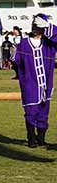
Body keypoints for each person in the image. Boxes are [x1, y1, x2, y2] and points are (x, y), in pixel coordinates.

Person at [14, 14, 57, 148]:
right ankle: (31, 138)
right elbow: (17, 62)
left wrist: (47, 25)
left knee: (44, 112)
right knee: (31, 110)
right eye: (34, 25)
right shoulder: (24, 43)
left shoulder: (49, 44)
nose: (35, 28)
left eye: (38, 26)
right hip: (30, 83)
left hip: (46, 84)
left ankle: (41, 138)